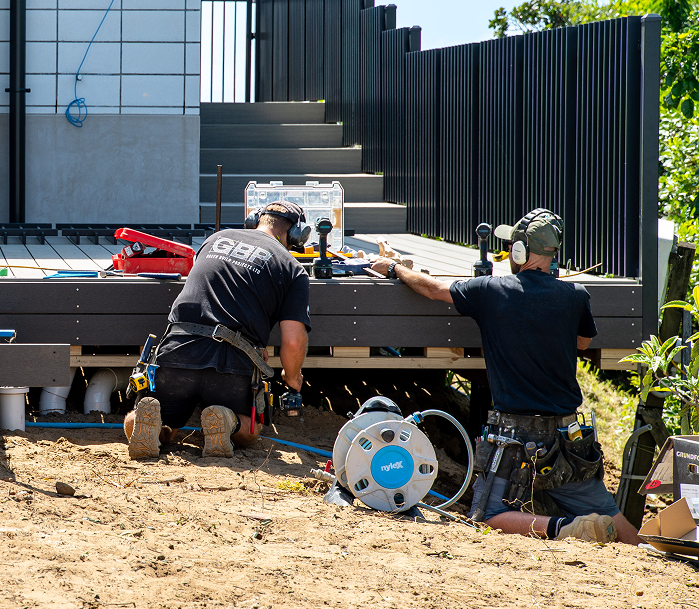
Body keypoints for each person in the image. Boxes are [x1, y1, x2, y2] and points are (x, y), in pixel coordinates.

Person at [365, 208, 640, 544]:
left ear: (520, 251)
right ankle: (648, 547)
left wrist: (394, 268)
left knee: (489, 516)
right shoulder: (576, 295)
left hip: (516, 437)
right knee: (609, 513)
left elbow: (435, 290)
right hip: (569, 437)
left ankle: (564, 529)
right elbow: (583, 342)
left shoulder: (492, 291)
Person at [124, 201, 311, 460]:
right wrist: (292, 379)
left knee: (153, 417)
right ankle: (227, 423)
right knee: (250, 429)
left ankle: (151, 426)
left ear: (254, 220)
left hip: (178, 349)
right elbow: (292, 341)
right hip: (232, 362)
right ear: (296, 235)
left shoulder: (215, 239)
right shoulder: (292, 267)